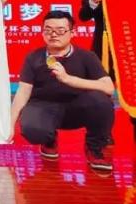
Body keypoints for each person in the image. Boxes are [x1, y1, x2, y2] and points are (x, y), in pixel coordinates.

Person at [9, 10, 115, 171]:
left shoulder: (87, 57)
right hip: (44, 107)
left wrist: (68, 79)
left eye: (60, 30)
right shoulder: (33, 57)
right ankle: (48, 139)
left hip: (76, 108)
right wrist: (10, 124)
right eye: (48, 30)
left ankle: (94, 148)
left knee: (101, 101)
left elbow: (108, 87)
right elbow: (23, 91)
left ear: (72, 33)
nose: (53, 35)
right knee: (32, 128)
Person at [79, 0, 135, 139]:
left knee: (133, 87)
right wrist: (94, 1)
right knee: (102, 92)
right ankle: (101, 133)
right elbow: (83, 15)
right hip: (106, 49)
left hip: (127, 49)